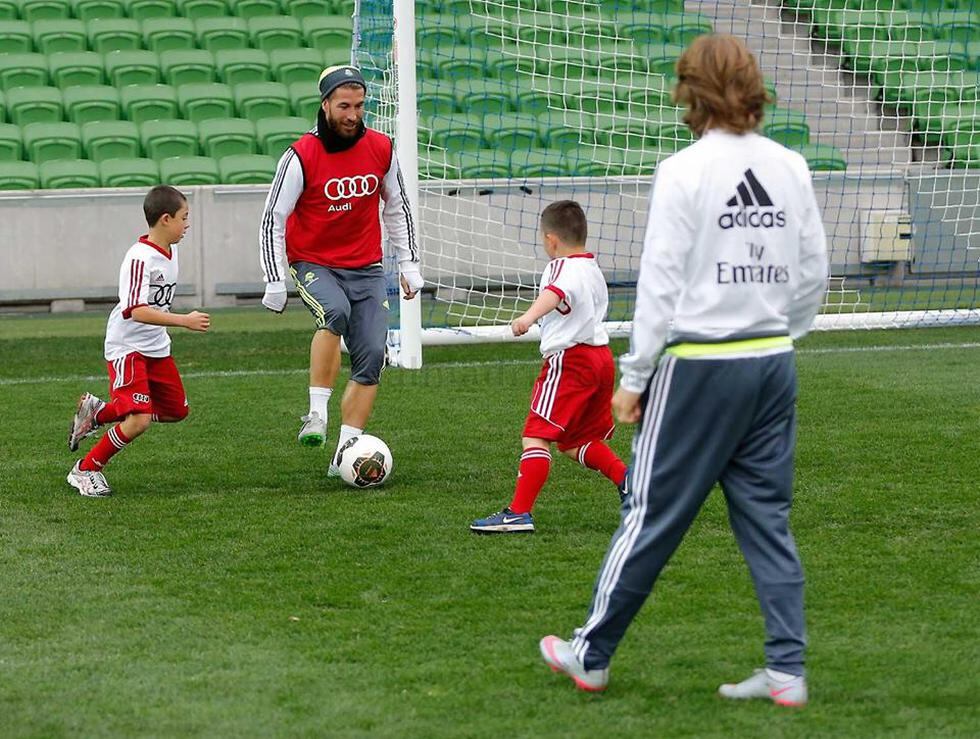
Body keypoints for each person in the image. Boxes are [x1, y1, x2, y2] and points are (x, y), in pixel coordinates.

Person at [538, 34, 829, 705]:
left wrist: (634, 377)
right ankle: (787, 670)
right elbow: (813, 271)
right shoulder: (790, 166)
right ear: (754, 86)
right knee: (767, 519)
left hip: (701, 365)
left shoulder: (684, 171)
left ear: (688, 91)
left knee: (650, 512)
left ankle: (591, 651)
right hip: (771, 362)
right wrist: (784, 334)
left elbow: (661, 282)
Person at [258, 65, 422, 476]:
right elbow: (272, 219)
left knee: (371, 356)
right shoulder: (300, 156)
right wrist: (275, 278)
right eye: (345, 105)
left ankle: (345, 453)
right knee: (335, 313)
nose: (353, 115)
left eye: (360, 106)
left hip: (366, 267)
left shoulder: (382, 148)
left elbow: (397, 208)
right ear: (326, 103)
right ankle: (317, 415)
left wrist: (408, 263)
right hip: (314, 263)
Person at [470, 200, 628, 534]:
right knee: (574, 442)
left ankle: (518, 513)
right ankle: (629, 481)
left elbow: (556, 293)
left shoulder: (560, 268)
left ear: (551, 240)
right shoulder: (592, 268)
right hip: (600, 358)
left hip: (570, 360)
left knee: (535, 436)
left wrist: (527, 318)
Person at [66, 185, 211, 497]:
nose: (188, 224)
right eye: (184, 218)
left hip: (155, 347)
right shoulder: (139, 257)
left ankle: (99, 413)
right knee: (140, 420)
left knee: (176, 411)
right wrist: (184, 321)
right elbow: (135, 310)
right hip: (127, 347)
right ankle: (86, 469)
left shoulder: (172, 251)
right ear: (165, 219)